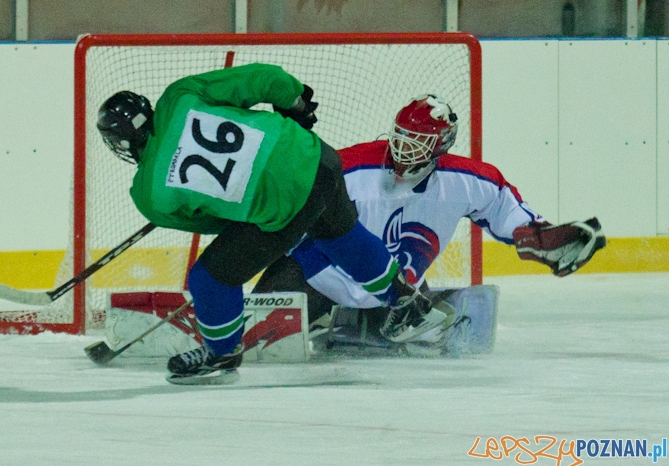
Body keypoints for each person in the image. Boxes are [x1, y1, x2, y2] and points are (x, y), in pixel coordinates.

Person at [95, 64, 444, 384]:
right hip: (315, 156)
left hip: (284, 205)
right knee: (339, 235)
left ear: (121, 142)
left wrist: (273, 222)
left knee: (210, 277)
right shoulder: (178, 95)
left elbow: (223, 222)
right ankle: (404, 302)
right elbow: (264, 80)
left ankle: (221, 353)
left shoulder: (147, 195)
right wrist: (296, 104)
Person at [253, 94, 607, 346]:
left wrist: (539, 237)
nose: (404, 149)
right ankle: (328, 312)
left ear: (441, 145)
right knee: (249, 340)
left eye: (417, 142)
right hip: (319, 278)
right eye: (402, 139)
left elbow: (505, 210)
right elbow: (293, 211)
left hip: (399, 295)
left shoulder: (466, 181)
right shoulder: (350, 166)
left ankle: (371, 317)